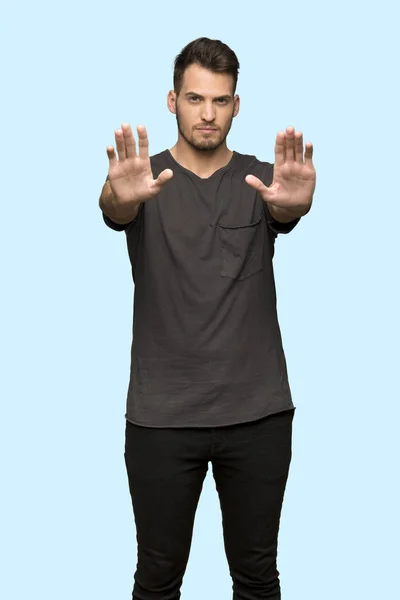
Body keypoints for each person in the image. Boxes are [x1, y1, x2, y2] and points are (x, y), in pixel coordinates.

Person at [99, 37, 316, 600]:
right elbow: (114, 207)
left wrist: (291, 205)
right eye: (195, 99)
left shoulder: (260, 180)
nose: (207, 113)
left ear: (236, 106)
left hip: (259, 414)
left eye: (220, 101)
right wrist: (119, 198)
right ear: (172, 101)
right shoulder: (144, 181)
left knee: (257, 580)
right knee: (156, 582)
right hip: (161, 419)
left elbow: (285, 208)